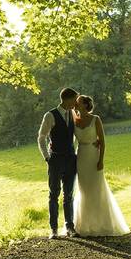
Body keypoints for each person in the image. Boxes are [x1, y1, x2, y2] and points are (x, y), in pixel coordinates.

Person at [72, 94, 129, 236]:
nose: (76, 104)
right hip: (81, 156)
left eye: (78, 102)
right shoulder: (73, 120)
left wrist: (101, 160)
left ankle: (103, 224)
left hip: (93, 155)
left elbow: (102, 141)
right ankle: (84, 225)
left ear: (85, 105)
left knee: (97, 188)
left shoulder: (95, 119)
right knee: (83, 189)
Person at [37, 87, 79, 238]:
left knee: (69, 195)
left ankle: (70, 227)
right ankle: (53, 229)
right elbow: (41, 137)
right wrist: (47, 157)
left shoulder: (73, 114)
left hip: (70, 159)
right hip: (55, 159)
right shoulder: (50, 115)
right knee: (54, 194)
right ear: (67, 99)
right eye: (74, 99)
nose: (76, 102)